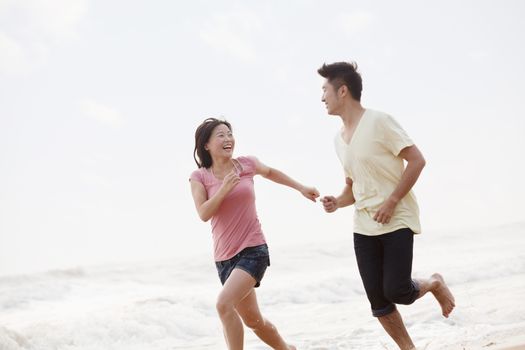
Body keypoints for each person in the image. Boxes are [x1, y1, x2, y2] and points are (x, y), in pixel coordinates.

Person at [317, 61, 455, 350]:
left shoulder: (380, 121)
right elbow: (353, 188)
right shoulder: (337, 140)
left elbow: (417, 160)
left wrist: (392, 201)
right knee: (378, 301)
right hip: (363, 225)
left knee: (398, 291)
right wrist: (337, 202)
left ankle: (434, 283)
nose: (322, 98)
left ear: (343, 91)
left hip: (397, 217)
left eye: (325, 90)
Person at [189, 117, 319, 350]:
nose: (228, 139)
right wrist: (223, 190)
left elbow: (271, 173)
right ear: (206, 145)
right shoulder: (200, 177)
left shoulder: (246, 164)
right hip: (224, 259)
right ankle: (287, 349)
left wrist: (301, 188)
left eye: (229, 134)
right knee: (253, 321)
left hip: (253, 249)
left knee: (223, 305)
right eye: (221, 135)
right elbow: (203, 213)